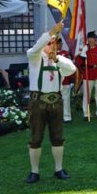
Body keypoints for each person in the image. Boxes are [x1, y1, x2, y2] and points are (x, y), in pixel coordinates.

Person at [24, 21, 77, 183]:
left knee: (57, 137)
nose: (53, 46)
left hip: (56, 103)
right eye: (50, 43)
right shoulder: (35, 58)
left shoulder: (60, 60)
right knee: (36, 138)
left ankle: (59, 169)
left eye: (55, 43)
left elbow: (72, 70)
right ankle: (34, 171)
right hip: (38, 103)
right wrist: (51, 32)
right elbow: (35, 48)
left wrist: (57, 60)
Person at [75, 31, 97, 120]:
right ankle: (86, 113)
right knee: (87, 95)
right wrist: (82, 55)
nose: (95, 40)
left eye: (96, 38)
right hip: (88, 74)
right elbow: (78, 63)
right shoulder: (85, 48)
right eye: (94, 38)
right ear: (89, 39)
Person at [55, 38, 76, 123]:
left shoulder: (66, 53)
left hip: (65, 80)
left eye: (60, 43)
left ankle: (67, 117)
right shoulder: (51, 54)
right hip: (55, 81)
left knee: (66, 99)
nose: (59, 45)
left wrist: (71, 80)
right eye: (57, 43)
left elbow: (69, 67)